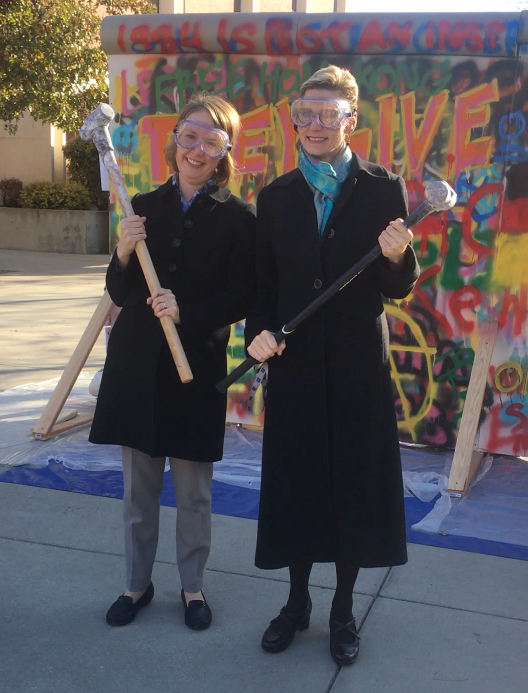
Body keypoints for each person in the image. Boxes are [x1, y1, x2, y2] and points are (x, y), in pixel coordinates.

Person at [245, 65, 420, 665]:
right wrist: (259, 334)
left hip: (354, 366)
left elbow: (395, 284)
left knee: (351, 484)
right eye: (305, 112)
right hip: (293, 365)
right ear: (293, 117)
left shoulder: (381, 189)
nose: (315, 124)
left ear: (351, 120)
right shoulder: (274, 197)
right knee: (297, 484)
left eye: (328, 114)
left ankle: (343, 610)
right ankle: (296, 604)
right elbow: (263, 286)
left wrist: (400, 258)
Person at [89, 94, 256, 631]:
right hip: (137, 371)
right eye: (190, 136)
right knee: (138, 493)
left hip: (194, 373)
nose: (198, 149)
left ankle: (192, 588)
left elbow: (241, 297)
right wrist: (121, 249)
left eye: (212, 140)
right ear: (176, 140)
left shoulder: (239, 218)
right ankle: (136, 585)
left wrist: (186, 310)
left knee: (193, 495)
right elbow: (117, 289)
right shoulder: (142, 206)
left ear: (224, 151)